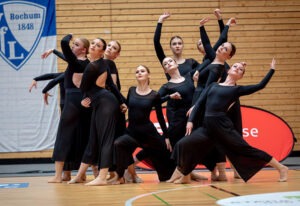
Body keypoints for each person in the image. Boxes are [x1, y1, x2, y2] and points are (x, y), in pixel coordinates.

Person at [168, 58, 288, 184]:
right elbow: (199, 103)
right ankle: (185, 175)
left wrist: (272, 70)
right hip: (207, 128)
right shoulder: (213, 85)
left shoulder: (236, 90)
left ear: (240, 76)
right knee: (184, 144)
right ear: (229, 70)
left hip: (223, 128)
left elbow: (260, 85)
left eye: (240, 69)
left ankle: (281, 168)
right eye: (235, 66)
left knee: (246, 150)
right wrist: (190, 121)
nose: (237, 68)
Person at [68, 38, 126, 186]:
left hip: (105, 104)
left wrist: (122, 102)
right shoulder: (98, 64)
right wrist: (121, 101)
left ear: (101, 52)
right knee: (92, 140)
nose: (94, 46)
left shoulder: (93, 66)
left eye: (98, 45)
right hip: (101, 103)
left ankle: (102, 177)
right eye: (93, 43)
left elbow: (84, 88)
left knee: (105, 140)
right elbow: (110, 86)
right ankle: (79, 175)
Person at [112, 65, 176, 184]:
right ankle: (120, 176)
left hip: (149, 134)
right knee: (118, 143)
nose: (139, 73)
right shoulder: (131, 90)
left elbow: (160, 117)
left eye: (142, 71)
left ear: (148, 75)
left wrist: (166, 136)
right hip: (132, 133)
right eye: (137, 72)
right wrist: (123, 105)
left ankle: (175, 173)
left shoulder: (154, 95)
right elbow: (128, 104)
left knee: (165, 167)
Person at [48, 34, 90, 183]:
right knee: (81, 137)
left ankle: (58, 175)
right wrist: (54, 51)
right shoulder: (88, 64)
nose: (73, 46)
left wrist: (70, 36)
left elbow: (64, 42)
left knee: (63, 136)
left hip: (72, 101)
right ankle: (82, 174)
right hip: (85, 102)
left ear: (84, 50)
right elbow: (66, 55)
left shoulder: (75, 63)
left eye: (76, 44)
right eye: (74, 44)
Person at [154, 12, 199, 80]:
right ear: (171, 47)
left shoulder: (191, 62)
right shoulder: (167, 63)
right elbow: (156, 42)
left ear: (183, 46)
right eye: (174, 44)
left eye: (179, 43)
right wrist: (160, 20)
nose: (177, 46)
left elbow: (205, 69)